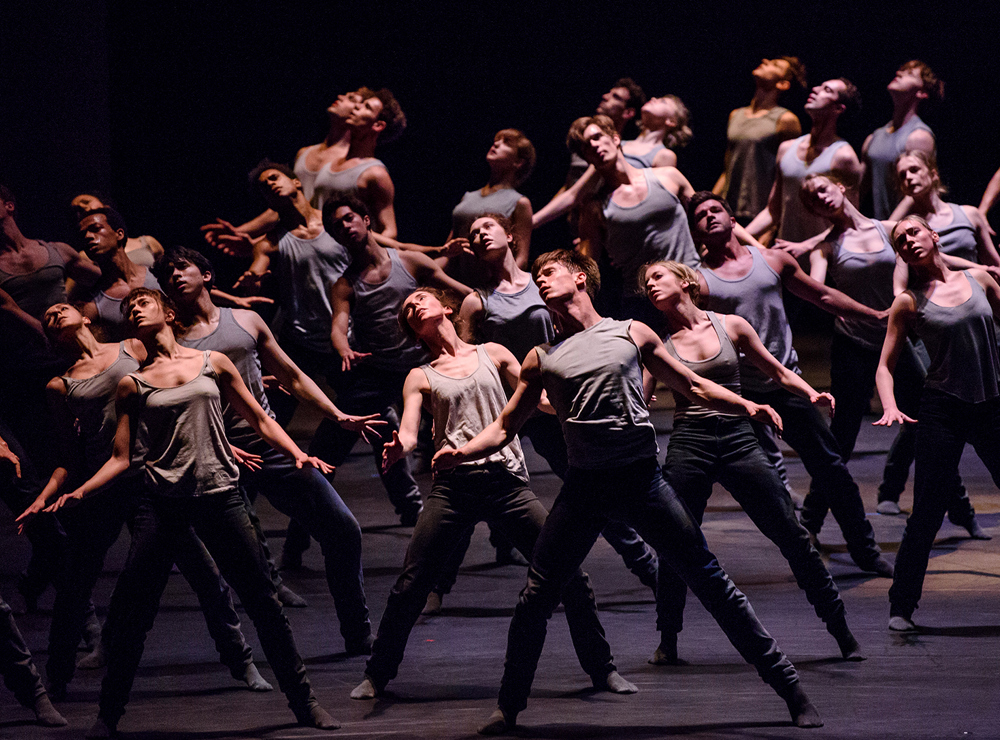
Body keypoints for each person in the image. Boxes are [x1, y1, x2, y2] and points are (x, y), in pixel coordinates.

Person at [435, 249, 823, 734]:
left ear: (581, 278)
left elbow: (693, 385)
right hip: (585, 487)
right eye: (538, 275)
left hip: (642, 481)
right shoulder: (541, 357)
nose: (541, 279)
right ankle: (508, 707)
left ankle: (791, 690)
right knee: (536, 596)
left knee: (711, 582)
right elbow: (505, 425)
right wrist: (462, 451)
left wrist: (747, 406)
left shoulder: (631, 332)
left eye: (549, 272)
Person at [45, 288, 339, 736]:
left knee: (264, 604)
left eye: (142, 302)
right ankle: (108, 715)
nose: (134, 309)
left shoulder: (211, 363)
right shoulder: (132, 384)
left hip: (221, 496)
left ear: (167, 312)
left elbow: (261, 419)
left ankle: (306, 703)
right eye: (128, 308)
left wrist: (298, 453)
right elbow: (122, 457)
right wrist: (80, 492)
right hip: (162, 504)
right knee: (134, 615)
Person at [350, 287, 634, 702]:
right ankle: (377, 675)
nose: (414, 306)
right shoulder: (420, 375)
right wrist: (401, 447)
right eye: (408, 309)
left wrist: (579, 402)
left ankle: (603, 669)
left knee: (570, 575)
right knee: (412, 584)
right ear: (412, 330)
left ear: (447, 307)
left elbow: (539, 399)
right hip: (453, 486)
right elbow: (410, 431)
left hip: (506, 482)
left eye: (420, 298)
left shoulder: (494, 353)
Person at [16, 303, 272, 699]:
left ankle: (242, 661)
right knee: (75, 583)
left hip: (150, 481)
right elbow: (68, 457)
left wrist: (220, 443)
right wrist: (45, 496)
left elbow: (171, 394)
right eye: (48, 315)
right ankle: (58, 678)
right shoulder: (60, 385)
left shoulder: (131, 348)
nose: (56, 312)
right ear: (49, 336)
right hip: (101, 485)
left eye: (62, 307)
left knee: (205, 574)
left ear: (86, 317)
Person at [157, 245, 386, 653]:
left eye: (182, 267)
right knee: (230, 565)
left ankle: (357, 633)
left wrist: (336, 414)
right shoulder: (169, 340)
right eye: (167, 273)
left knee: (342, 530)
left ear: (206, 275)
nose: (174, 275)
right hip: (213, 458)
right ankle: (250, 654)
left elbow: (292, 375)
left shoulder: (245, 320)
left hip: (268, 444)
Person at [640, 259, 864, 665]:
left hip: (738, 439)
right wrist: (640, 395)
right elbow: (638, 399)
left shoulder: (731, 325)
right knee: (675, 542)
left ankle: (841, 629)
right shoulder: (657, 344)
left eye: (658, 276)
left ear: (686, 281)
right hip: (690, 442)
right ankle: (668, 638)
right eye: (646, 282)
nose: (650, 285)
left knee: (791, 534)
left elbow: (777, 371)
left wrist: (810, 393)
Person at [431, 214, 657, 608]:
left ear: (511, 235)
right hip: (508, 404)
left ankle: (650, 571)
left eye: (487, 227)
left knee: (590, 490)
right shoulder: (477, 301)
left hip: (554, 400)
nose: (480, 234)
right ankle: (436, 586)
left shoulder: (547, 284)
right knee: (467, 488)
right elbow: (466, 360)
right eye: (474, 233)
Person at [690, 191, 894, 576]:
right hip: (741, 394)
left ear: (733, 219)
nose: (710, 216)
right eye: (701, 215)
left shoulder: (771, 260)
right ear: (696, 232)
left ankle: (865, 551)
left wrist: (873, 315)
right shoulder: (699, 282)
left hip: (788, 384)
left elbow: (823, 295)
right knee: (762, 485)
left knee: (832, 469)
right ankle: (801, 550)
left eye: (716, 209)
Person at [789, 174, 984, 535]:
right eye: (813, 199)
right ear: (814, 210)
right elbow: (818, 292)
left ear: (841, 187)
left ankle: (961, 509)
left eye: (823, 189)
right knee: (841, 438)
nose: (821, 198)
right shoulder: (826, 248)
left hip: (896, 341)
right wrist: (865, 313)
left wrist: (980, 269)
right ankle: (811, 522)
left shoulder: (889, 229)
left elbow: (938, 255)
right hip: (853, 345)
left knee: (928, 425)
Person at [875, 216, 1000, 631]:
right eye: (900, 241)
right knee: (928, 509)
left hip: (991, 403)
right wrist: (890, 405)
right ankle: (901, 606)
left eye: (913, 232)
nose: (908, 241)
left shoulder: (980, 280)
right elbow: (885, 367)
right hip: (943, 408)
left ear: (933, 234)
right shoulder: (908, 302)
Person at [324, 195, 471, 524]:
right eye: (336, 226)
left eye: (349, 218)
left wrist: (492, 306)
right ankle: (302, 528)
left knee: (466, 432)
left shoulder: (410, 262)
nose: (345, 227)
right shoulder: (345, 285)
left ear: (366, 220)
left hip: (423, 365)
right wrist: (343, 348)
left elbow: (460, 292)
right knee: (336, 444)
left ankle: (496, 525)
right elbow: (338, 327)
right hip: (377, 371)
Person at [533, 114, 699, 328]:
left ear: (615, 138)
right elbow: (586, 266)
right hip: (644, 300)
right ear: (586, 158)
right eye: (586, 147)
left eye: (597, 137)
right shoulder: (594, 208)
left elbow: (708, 214)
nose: (593, 146)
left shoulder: (668, 176)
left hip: (692, 281)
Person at [747, 77, 863, 274]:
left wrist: (806, 246)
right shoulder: (786, 148)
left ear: (838, 108)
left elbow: (851, 221)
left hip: (825, 264)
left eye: (827, 90)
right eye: (820, 85)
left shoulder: (843, 157)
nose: (816, 88)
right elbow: (773, 211)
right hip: (786, 260)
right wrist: (734, 236)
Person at [713, 57, 806, 225]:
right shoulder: (736, 115)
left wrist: (772, 225)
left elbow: (789, 177)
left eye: (774, 65)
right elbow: (727, 169)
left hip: (759, 212)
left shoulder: (785, 120)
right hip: (729, 209)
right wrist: (712, 202)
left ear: (782, 84)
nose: (764, 61)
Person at [445, 129, 536, 270]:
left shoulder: (519, 202)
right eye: (496, 140)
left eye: (506, 143)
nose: (496, 144)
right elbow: (448, 251)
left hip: (490, 281)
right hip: (453, 279)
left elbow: (521, 258)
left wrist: (504, 283)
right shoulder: (468, 197)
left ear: (519, 162)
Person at [862, 61, 941, 220]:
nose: (898, 74)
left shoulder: (919, 136)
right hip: (884, 227)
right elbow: (858, 190)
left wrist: (888, 229)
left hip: (908, 229)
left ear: (922, 93)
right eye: (901, 71)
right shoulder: (874, 137)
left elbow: (916, 193)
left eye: (909, 74)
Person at [77, 207, 161, 341]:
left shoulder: (159, 276)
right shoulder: (92, 305)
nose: (87, 236)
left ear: (119, 234)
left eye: (96, 229)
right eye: (82, 235)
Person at [71, 193, 164, 267]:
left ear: (105, 205)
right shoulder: (86, 256)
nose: (83, 207)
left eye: (86, 202)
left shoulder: (147, 242)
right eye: (76, 209)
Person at [621, 94, 692, 169]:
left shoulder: (664, 155)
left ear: (671, 121)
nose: (653, 98)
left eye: (663, 102)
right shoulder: (619, 143)